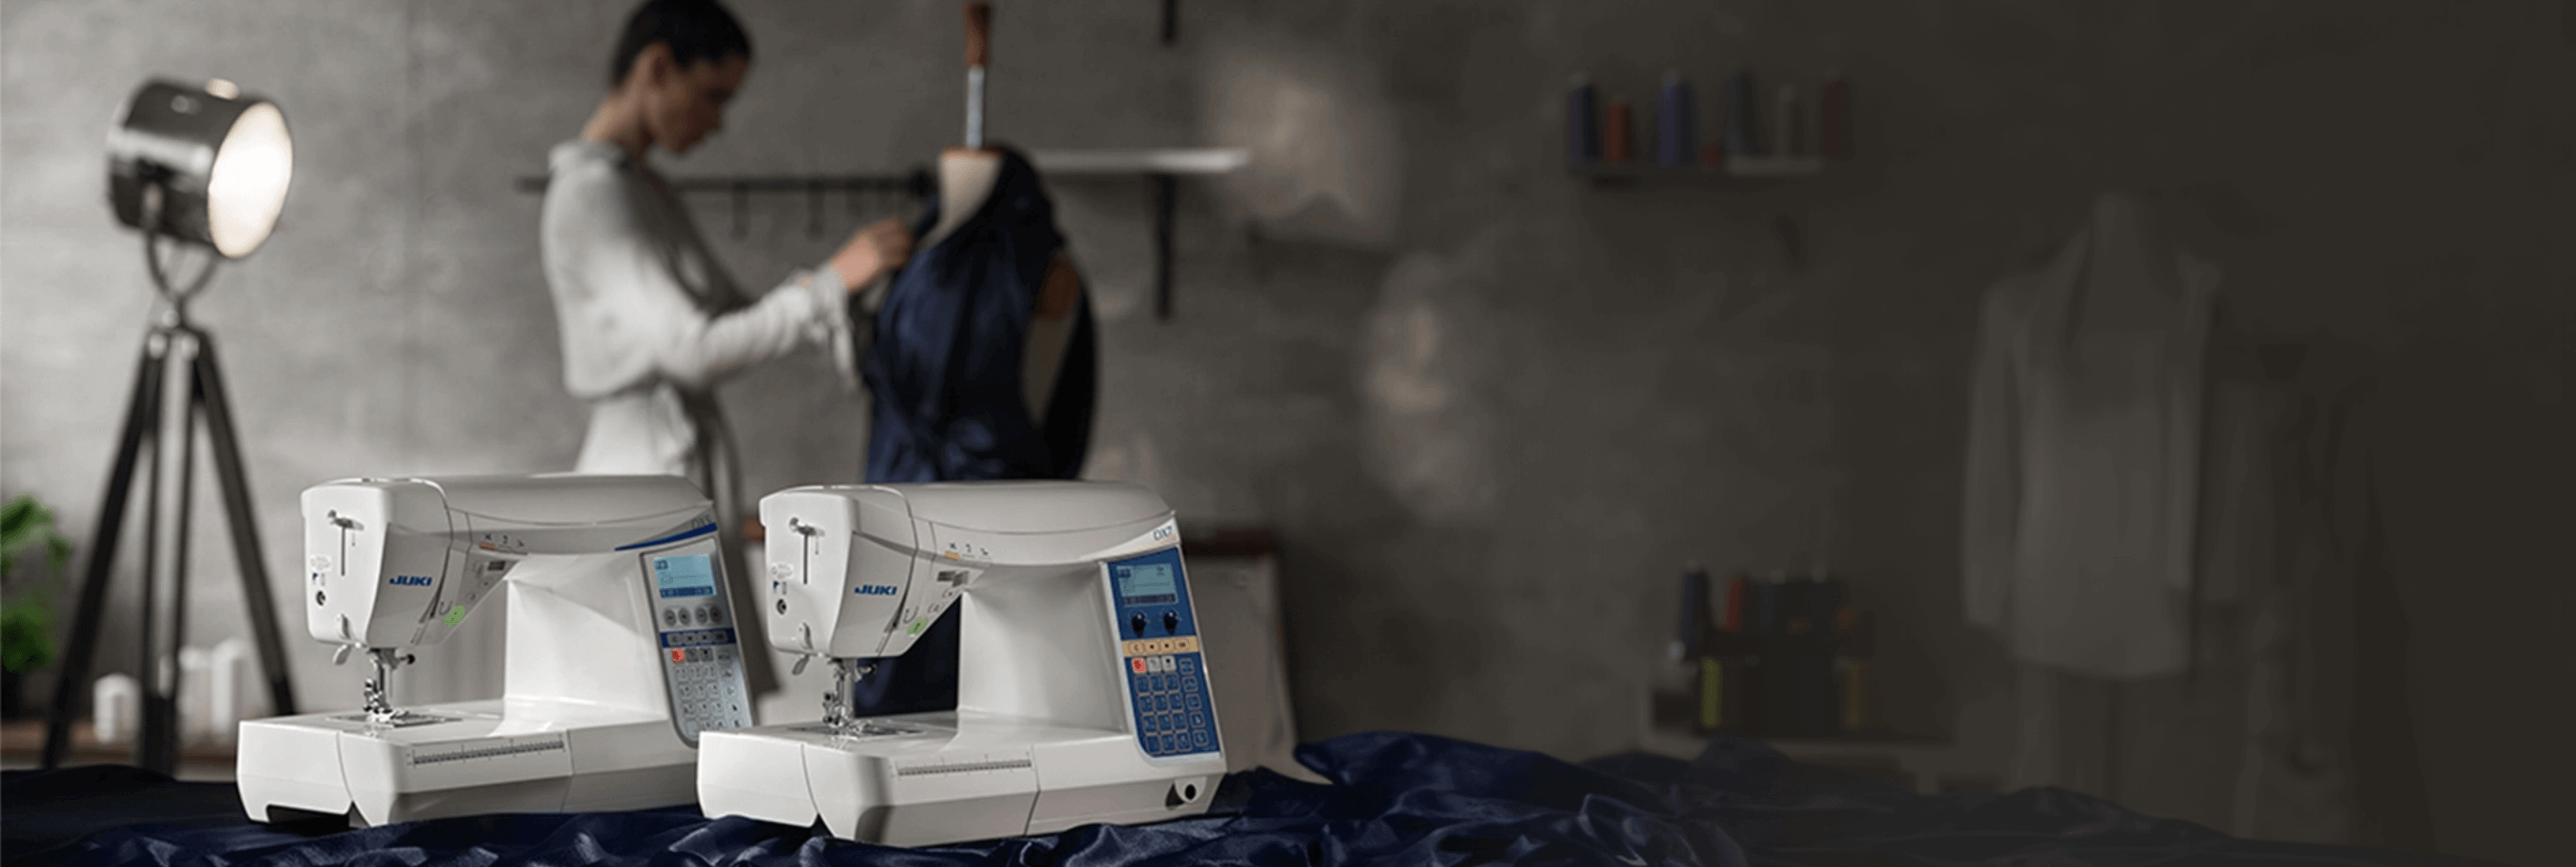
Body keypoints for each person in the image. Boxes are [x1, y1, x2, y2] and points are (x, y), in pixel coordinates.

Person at [539, 0, 912, 693]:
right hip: (640, 472)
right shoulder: (593, 194)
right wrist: (828, 284)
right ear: (657, 67)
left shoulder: (639, 188)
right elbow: (693, 350)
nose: (717, 123)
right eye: (712, 96)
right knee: (657, 696)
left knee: (696, 695)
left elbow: (735, 315)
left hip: (671, 462)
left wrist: (837, 293)